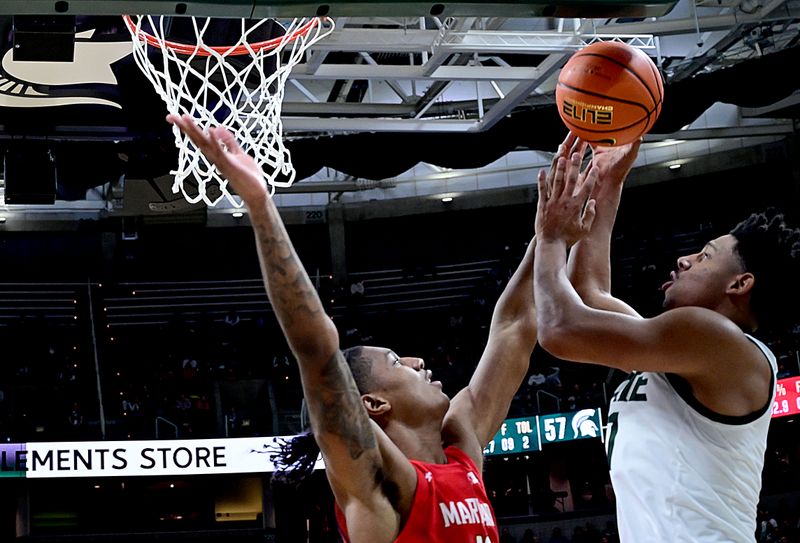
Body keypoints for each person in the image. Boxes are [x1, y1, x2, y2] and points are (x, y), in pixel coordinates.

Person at [168, 113, 541, 543]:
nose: (418, 361)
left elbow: (513, 327)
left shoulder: (463, 452)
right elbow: (316, 350)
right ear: (373, 403)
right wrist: (260, 205)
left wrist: (550, 234)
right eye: (397, 361)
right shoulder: (377, 482)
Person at [533, 133, 800, 542]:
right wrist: (608, 181)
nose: (685, 259)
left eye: (705, 256)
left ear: (740, 283)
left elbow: (559, 328)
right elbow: (589, 295)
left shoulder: (719, 341)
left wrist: (551, 237)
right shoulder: (680, 346)